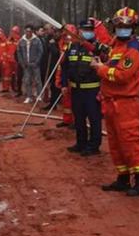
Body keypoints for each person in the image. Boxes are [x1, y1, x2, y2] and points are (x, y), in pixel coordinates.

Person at [92, 7, 139, 197]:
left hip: (126, 104)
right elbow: (112, 66)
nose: (122, 29)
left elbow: (122, 75)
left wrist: (100, 68)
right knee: (115, 143)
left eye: (126, 26)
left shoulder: (133, 50)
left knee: (130, 142)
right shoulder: (117, 46)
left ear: (133, 28)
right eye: (119, 25)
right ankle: (123, 178)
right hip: (111, 101)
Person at [64, 18, 103, 156]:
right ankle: (81, 143)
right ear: (79, 31)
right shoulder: (72, 47)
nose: (88, 32)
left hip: (92, 90)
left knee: (94, 119)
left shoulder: (97, 47)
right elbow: (65, 67)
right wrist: (64, 83)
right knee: (79, 119)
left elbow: (105, 63)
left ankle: (93, 146)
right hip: (76, 90)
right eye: (85, 30)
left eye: (90, 30)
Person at [54, 25, 76, 127]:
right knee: (66, 99)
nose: (67, 38)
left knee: (75, 101)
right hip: (64, 74)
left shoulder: (76, 46)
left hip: (74, 76)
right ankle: (67, 120)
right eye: (65, 35)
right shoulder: (62, 44)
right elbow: (62, 64)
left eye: (68, 36)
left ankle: (76, 121)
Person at [17, 25, 44, 103]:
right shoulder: (21, 41)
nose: (28, 32)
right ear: (24, 31)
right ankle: (29, 96)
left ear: (32, 31)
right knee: (27, 81)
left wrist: (37, 62)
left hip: (35, 64)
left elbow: (40, 52)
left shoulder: (37, 40)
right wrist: (22, 63)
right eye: (26, 31)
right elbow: (19, 53)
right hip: (26, 65)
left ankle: (39, 96)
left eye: (29, 31)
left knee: (38, 81)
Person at [41, 25, 62, 109]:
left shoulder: (58, 40)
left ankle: (55, 103)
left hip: (57, 66)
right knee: (52, 85)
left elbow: (57, 53)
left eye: (47, 29)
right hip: (49, 65)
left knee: (55, 85)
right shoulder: (48, 38)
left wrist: (52, 45)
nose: (45, 31)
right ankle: (52, 102)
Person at [9, 25, 23, 95]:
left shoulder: (20, 41)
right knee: (11, 75)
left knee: (18, 75)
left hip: (17, 61)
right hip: (10, 61)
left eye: (14, 32)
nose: (12, 33)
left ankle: (18, 89)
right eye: (12, 32)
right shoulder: (9, 40)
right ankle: (13, 87)